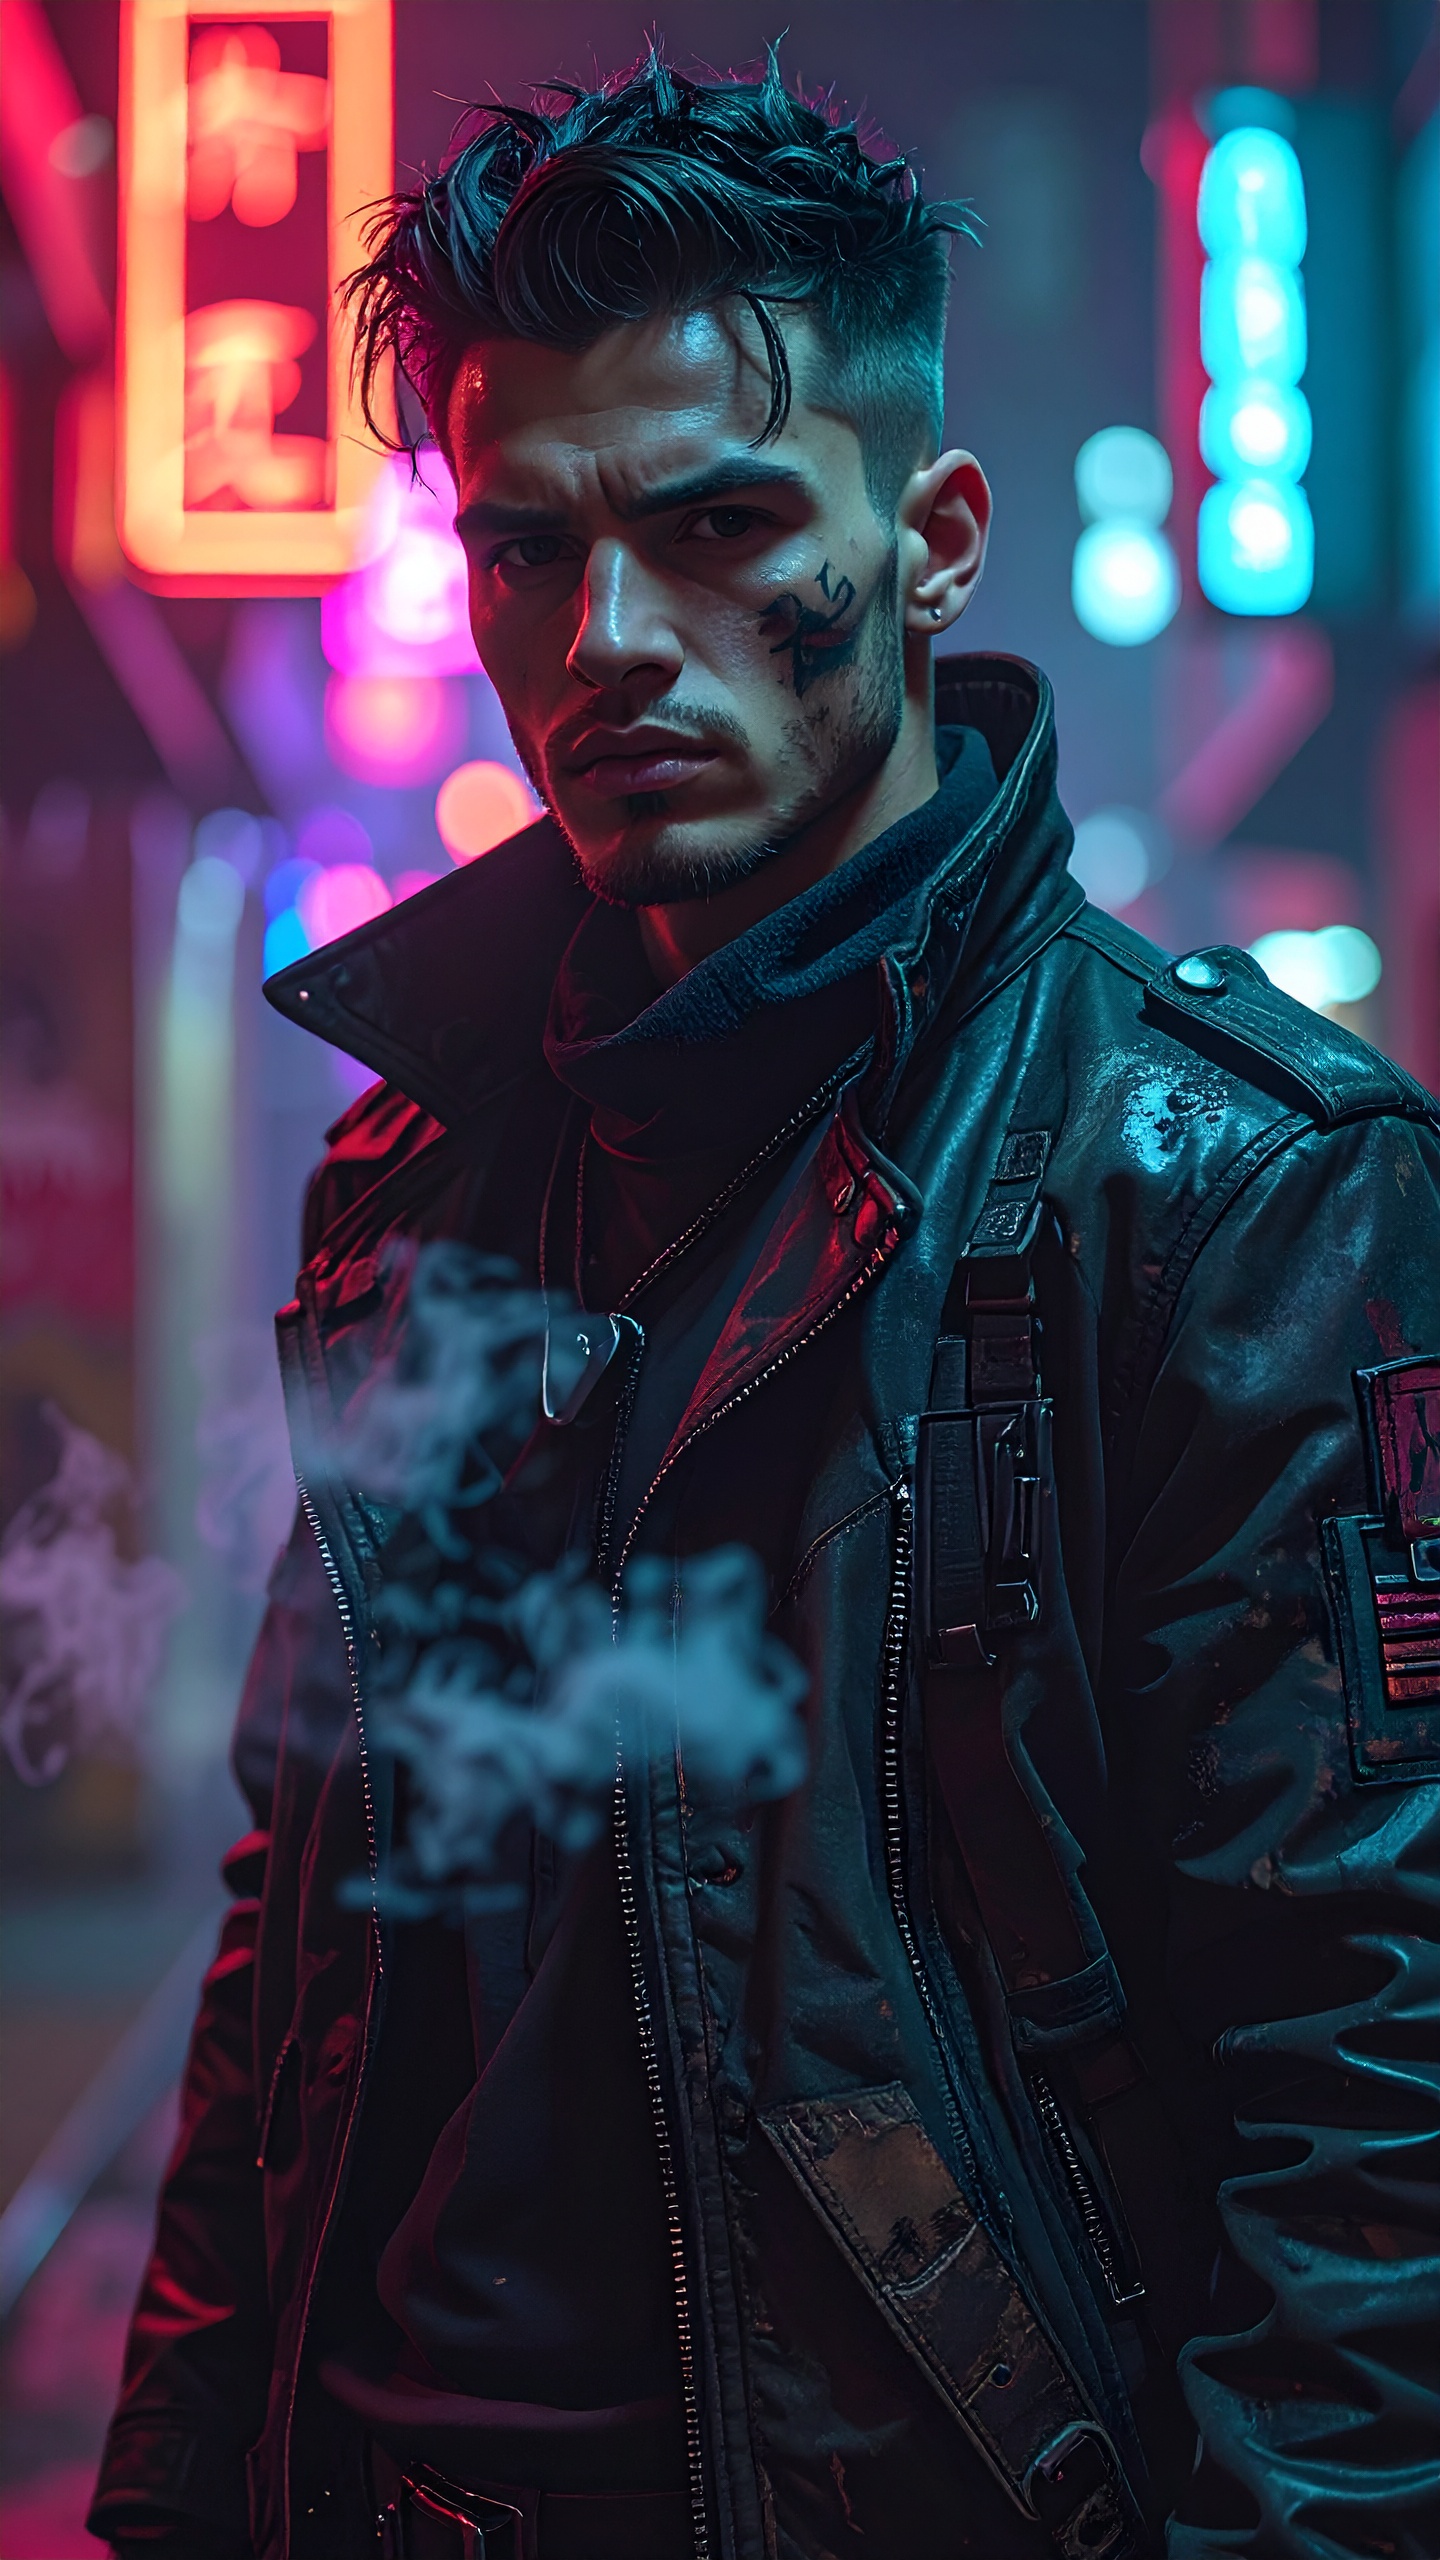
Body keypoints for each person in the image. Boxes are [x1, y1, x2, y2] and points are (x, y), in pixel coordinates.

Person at [90, 49, 1440, 2560]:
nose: (610, 642)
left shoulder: (1230, 1190)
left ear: (932, 540)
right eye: (529, 554)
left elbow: (1381, 2115)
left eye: (719, 528)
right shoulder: (415, 1178)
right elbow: (295, 1984)